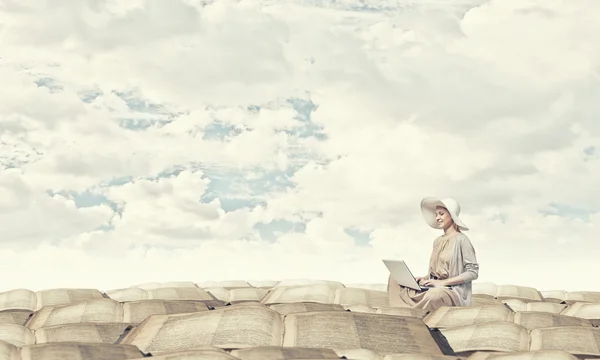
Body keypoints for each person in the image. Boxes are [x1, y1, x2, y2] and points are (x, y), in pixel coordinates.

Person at [387, 197, 479, 310]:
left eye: (441, 214)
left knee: (433, 296)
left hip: (451, 291)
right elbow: (436, 271)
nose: (437, 218)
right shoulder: (437, 241)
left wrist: (442, 283)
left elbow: (473, 273)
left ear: (451, 215)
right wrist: (424, 278)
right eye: (436, 214)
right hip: (433, 286)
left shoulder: (462, 240)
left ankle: (414, 313)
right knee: (394, 278)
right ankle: (403, 311)